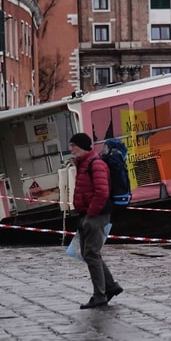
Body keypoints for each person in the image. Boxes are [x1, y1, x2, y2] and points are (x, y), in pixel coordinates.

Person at [69, 132, 123, 309]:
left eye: (73, 146)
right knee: (89, 253)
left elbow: (102, 192)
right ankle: (111, 286)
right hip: (87, 214)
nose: (70, 149)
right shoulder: (83, 163)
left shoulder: (95, 164)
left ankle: (100, 295)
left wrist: (91, 214)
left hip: (96, 215)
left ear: (82, 146)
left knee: (91, 253)